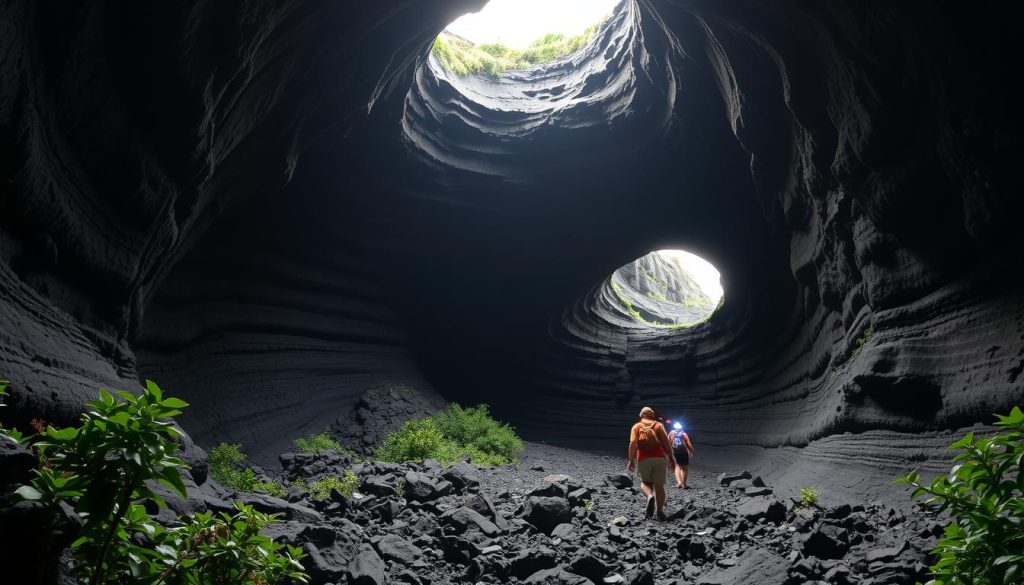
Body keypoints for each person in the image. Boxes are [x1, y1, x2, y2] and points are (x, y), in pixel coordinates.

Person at [627, 406, 675, 520]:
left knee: (645, 482)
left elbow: (633, 444)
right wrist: (672, 457)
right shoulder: (658, 425)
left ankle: (649, 496)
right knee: (659, 485)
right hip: (660, 458)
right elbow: (666, 442)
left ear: (641, 415)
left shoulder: (637, 426)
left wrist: (630, 460)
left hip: (644, 458)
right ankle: (659, 511)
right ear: (652, 415)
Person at [668, 421, 694, 489]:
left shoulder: (671, 433)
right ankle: (684, 484)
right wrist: (692, 451)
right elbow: (688, 444)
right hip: (683, 453)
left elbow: (668, 443)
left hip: (675, 453)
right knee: (684, 468)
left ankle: (679, 482)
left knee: (677, 466)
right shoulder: (684, 434)